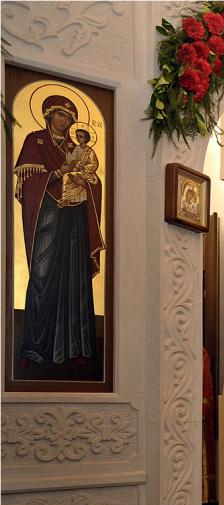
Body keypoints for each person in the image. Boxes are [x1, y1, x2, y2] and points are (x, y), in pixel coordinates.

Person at [13, 95, 104, 371]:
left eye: (69, 117)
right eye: (60, 115)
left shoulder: (78, 147)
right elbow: (26, 183)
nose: (64, 121)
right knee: (43, 274)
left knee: (75, 279)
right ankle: (35, 348)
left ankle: (75, 348)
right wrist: (57, 173)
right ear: (48, 115)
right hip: (47, 215)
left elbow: (94, 180)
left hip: (74, 218)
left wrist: (85, 182)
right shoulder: (35, 140)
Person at [58, 128, 100, 207]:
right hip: (76, 170)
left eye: (81, 136)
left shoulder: (90, 151)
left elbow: (94, 164)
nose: (78, 138)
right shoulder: (77, 148)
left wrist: (83, 167)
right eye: (77, 136)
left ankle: (66, 199)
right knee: (68, 177)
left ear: (86, 138)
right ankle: (67, 199)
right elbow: (72, 160)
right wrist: (67, 151)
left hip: (87, 173)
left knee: (66, 176)